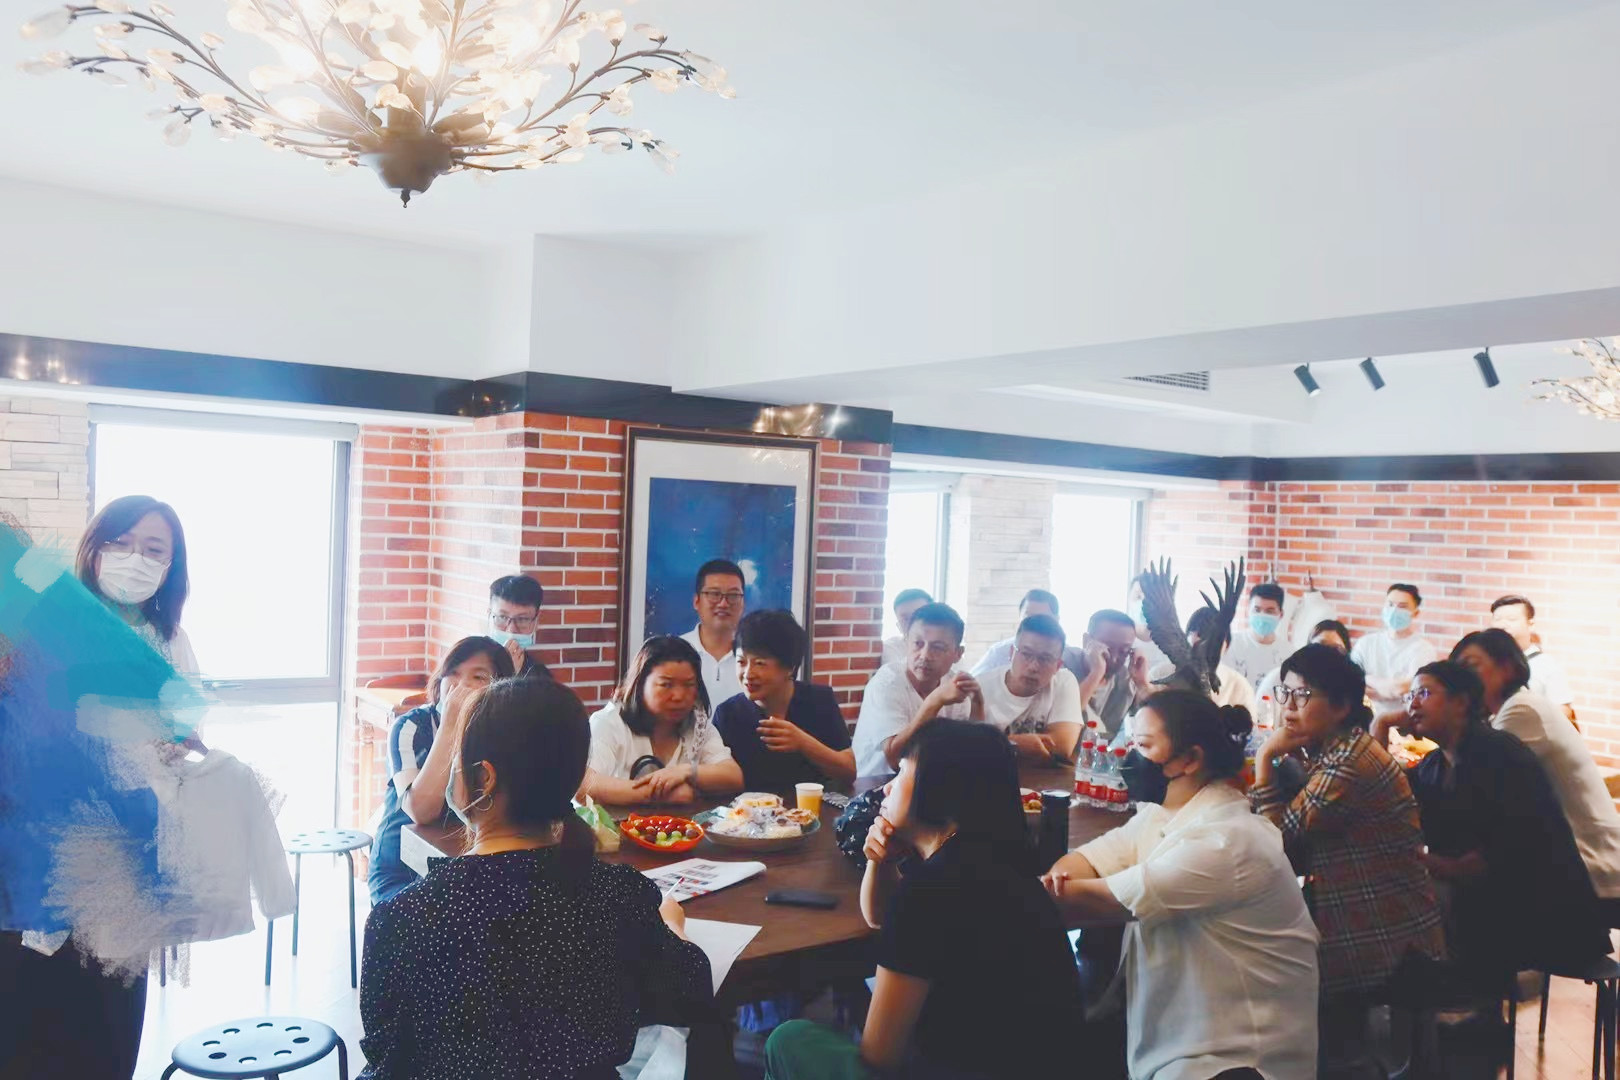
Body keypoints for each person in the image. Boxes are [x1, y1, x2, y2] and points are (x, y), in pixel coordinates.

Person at [359, 677, 716, 1079]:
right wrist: (673, 925)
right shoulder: (620, 896)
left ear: (484, 779)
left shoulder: (402, 918)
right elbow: (690, 994)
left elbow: (386, 1057)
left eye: (457, 757)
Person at [0, 495, 201, 1079]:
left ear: (171, 566)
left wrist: (178, 753)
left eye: (154, 549)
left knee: (106, 1042)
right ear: (93, 549)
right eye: (120, 543)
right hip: (29, 878)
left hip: (122, 880)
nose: (135, 559)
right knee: (26, 1040)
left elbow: (184, 737)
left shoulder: (169, 643)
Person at [764, 720, 1083, 1079]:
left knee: (788, 1040)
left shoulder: (928, 892)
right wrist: (880, 861)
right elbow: (880, 916)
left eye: (901, 772)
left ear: (939, 790)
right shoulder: (1003, 864)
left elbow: (879, 1056)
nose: (886, 788)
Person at [1043, 691, 1320, 1080]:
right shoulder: (1162, 814)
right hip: (1181, 1038)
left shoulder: (1225, 842)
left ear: (1189, 758)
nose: (1129, 757)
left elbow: (1086, 902)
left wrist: (1050, 889)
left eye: (1143, 746)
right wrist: (1059, 881)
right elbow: (1083, 863)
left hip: (1236, 1060)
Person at [1249, 643, 1443, 1079]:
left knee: (1258, 963)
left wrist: (1264, 759)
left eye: (1302, 695)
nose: (1289, 707)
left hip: (1380, 935)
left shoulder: (1349, 764)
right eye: (1285, 693)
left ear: (1340, 706)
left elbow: (1277, 846)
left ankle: (1335, 1064)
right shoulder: (1339, 751)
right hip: (1373, 918)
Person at [1379, 661, 1609, 986]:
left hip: (1542, 910)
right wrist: (1381, 724)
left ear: (1461, 702)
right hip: (1487, 904)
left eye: (1424, 693)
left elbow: (1512, 849)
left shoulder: (1499, 752)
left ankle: (1451, 1006)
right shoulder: (1434, 763)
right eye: (1409, 696)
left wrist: (1445, 866)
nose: (1412, 705)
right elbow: (1388, 797)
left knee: (1406, 928)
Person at [1450, 629, 1620, 904]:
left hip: (1591, 863)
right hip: (1571, 859)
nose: (1462, 680)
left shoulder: (1522, 710)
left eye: (1471, 666)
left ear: (1507, 668)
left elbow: (1472, 778)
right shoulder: (1513, 708)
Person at [368, 635, 515, 905]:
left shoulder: (502, 733)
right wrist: (450, 725)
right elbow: (421, 812)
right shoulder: (412, 727)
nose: (461, 685)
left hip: (468, 864)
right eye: (453, 674)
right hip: (402, 867)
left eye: (478, 677)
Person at [581, 636, 744, 805]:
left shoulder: (698, 725)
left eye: (688, 685)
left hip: (679, 823)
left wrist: (687, 772)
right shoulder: (609, 722)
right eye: (666, 685)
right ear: (640, 684)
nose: (678, 696)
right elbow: (585, 785)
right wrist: (660, 794)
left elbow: (733, 776)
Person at [713, 609, 855, 793]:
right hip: (747, 810)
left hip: (810, 809)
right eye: (741, 662)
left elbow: (849, 771)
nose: (748, 674)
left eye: (760, 663)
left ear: (790, 667)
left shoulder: (818, 701)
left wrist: (803, 743)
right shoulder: (728, 714)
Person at [851, 602, 981, 778]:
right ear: (906, 642)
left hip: (926, 783)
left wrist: (977, 704)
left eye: (937, 647)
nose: (925, 655)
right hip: (875, 785)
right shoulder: (887, 683)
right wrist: (934, 701)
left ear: (958, 653)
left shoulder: (953, 685)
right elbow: (895, 759)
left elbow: (967, 753)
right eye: (918, 644)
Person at [974, 613, 1084, 761]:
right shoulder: (980, 687)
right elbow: (966, 746)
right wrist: (1020, 744)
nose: (1033, 667)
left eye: (1045, 659)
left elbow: (1062, 746)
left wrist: (991, 744)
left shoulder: (1064, 681)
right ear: (1012, 653)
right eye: (1026, 654)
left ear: (1057, 666)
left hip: (1041, 776)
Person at [1146, 607, 1258, 714]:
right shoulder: (1159, 675)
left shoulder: (1239, 687)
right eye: (1198, 645)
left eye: (1213, 645)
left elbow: (1249, 726)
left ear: (1226, 646)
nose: (1206, 653)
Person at [1349, 583, 1437, 714]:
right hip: (1365, 718)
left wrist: (1366, 678)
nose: (1394, 610)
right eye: (1390, 605)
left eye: (1402, 606)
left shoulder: (1424, 649)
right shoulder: (1365, 644)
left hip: (1405, 720)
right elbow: (1351, 682)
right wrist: (1388, 691)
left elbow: (1404, 688)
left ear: (1415, 613)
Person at [1489, 594, 1577, 724]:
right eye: (1497, 619)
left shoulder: (1547, 665)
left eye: (1511, 619)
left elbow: (1563, 712)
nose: (1503, 625)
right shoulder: (1486, 663)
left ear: (1531, 625)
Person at [1255, 618, 1352, 723]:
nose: (1326, 653)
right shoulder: (1280, 678)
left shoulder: (1348, 691)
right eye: (1319, 646)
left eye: (1335, 648)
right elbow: (1260, 723)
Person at [681, 558, 747, 707]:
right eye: (714, 594)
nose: (723, 604)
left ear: (743, 603)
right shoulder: (675, 651)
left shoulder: (754, 658)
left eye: (733, 595)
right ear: (696, 601)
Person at [968, 588, 1082, 674]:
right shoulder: (999, 653)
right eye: (1029, 618)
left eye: (1042, 619)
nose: (1035, 625)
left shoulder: (1073, 657)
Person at [1077, 607, 1149, 739]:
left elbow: (1159, 724)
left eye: (1123, 651)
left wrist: (1142, 683)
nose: (1114, 659)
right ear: (1086, 641)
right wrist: (1096, 673)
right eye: (1107, 649)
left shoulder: (1126, 679)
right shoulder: (1061, 666)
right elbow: (1065, 716)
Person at [1224, 582, 1291, 693]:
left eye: (1269, 611)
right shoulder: (1230, 645)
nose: (1262, 615)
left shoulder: (1289, 653)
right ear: (1248, 611)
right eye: (1257, 610)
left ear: (1281, 614)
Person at [487, 574, 551, 680]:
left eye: (522, 619)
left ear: (536, 621)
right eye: (502, 617)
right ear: (489, 615)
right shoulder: (468, 660)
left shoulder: (539, 676)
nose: (511, 630)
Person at [882, 588, 933, 667]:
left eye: (919, 616)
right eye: (905, 619)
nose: (912, 623)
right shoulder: (891, 648)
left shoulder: (949, 646)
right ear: (898, 625)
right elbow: (895, 672)